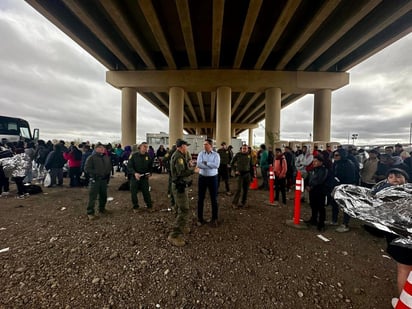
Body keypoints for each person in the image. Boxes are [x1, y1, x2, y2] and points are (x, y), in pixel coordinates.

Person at [370, 168, 411, 305]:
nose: (394, 179)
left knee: (404, 270)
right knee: (405, 269)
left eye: (399, 176)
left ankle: (404, 303)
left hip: (402, 241)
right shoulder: (382, 194)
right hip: (399, 240)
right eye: (391, 177)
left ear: (406, 179)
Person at [168, 139, 198, 247]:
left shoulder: (181, 155)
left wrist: (189, 164)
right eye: (186, 146)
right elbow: (181, 172)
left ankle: (182, 225)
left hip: (180, 185)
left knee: (178, 207)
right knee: (184, 209)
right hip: (179, 186)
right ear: (181, 147)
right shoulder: (178, 157)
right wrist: (193, 170)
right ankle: (174, 235)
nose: (187, 148)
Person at [330, 148, 357, 232]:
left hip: (345, 188)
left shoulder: (349, 164)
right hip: (336, 186)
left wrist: (341, 183)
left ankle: (345, 224)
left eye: (337, 155)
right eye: (334, 155)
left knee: (346, 206)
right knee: (334, 203)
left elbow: (351, 178)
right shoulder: (336, 163)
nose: (335, 157)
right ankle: (334, 220)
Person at [84, 143, 112, 220]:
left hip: (103, 180)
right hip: (95, 180)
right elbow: (87, 168)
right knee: (93, 197)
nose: (103, 149)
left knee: (103, 195)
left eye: (103, 148)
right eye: (100, 148)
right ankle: (90, 212)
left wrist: (107, 174)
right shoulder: (91, 158)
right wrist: (96, 173)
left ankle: (102, 209)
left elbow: (109, 167)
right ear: (96, 149)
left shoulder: (106, 157)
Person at [196, 138, 221, 227]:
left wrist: (205, 163)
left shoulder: (216, 155)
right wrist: (210, 164)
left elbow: (216, 165)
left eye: (206, 144)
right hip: (202, 178)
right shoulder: (200, 154)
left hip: (213, 179)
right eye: (204, 144)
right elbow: (198, 164)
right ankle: (200, 218)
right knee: (200, 199)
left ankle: (214, 218)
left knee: (214, 199)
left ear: (210, 145)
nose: (204, 146)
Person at [304, 155, 328, 231]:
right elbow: (307, 178)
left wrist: (311, 187)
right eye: (313, 161)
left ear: (321, 162)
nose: (314, 163)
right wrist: (306, 185)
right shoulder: (312, 170)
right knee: (313, 205)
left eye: (316, 161)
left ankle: (321, 224)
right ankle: (313, 220)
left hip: (320, 191)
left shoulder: (324, 170)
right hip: (312, 191)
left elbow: (320, 180)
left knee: (321, 207)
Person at [127, 142, 153, 211]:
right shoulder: (133, 155)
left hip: (144, 177)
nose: (146, 148)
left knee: (146, 192)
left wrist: (150, 173)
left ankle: (149, 205)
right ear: (140, 147)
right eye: (144, 146)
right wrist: (134, 173)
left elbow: (150, 166)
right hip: (135, 177)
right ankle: (135, 207)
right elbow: (129, 166)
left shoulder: (147, 156)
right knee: (134, 192)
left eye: (147, 147)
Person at [230, 144, 254, 208]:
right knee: (239, 189)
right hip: (240, 175)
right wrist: (235, 171)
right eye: (243, 148)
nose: (244, 150)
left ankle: (243, 203)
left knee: (246, 190)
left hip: (247, 174)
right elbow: (231, 163)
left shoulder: (249, 156)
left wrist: (252, 176)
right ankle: (234, 203)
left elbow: (251, 166)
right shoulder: (238, 155)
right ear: (241, 149)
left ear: (247, 149)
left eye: (245, 148)